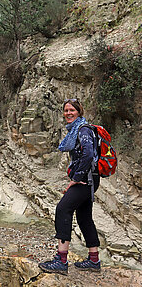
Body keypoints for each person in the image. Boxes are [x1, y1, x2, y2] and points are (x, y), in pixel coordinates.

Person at [38, 98, 101, 275]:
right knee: (84, 217)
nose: (68, 113)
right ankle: (94, 260)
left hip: (85, 179)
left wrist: (76, 177)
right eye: (66, 110)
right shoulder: (78, 129)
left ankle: (61, 260)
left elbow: (88, 154)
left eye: (72, 110)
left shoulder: (83, 129)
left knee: (63, 209)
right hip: (90, 179)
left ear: (79, 111)